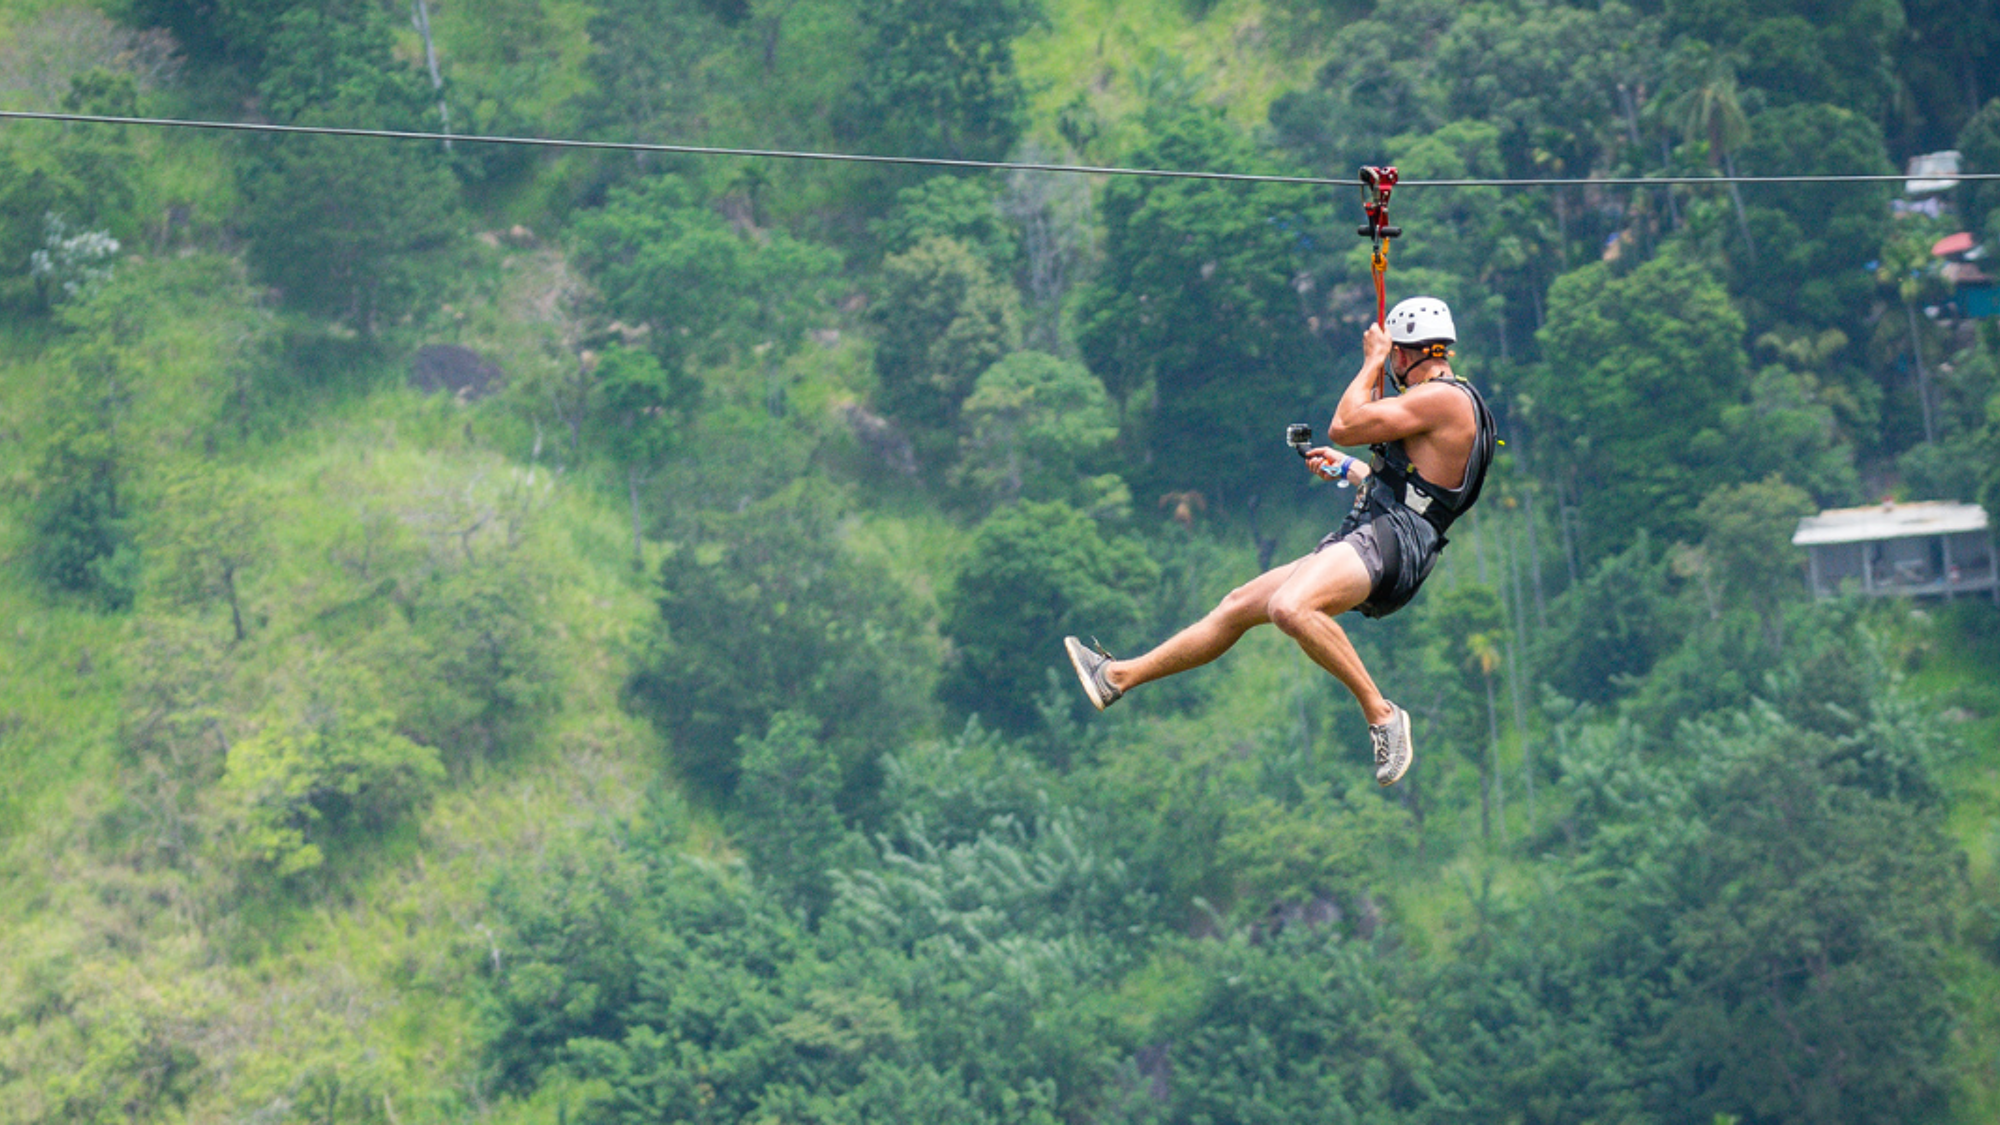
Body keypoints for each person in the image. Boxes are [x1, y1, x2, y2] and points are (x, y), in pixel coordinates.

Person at [1063, 296, 1495, 786]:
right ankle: (1116, 678)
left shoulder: (1443, 398)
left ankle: (1382, 715)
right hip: (1383, 530)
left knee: (1290, 607)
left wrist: (1370, 359)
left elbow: (1347, 424)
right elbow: (1418, 491)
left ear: (1403, 354)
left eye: (1393, 355)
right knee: (1239, 605)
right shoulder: (1443, 404)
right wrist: (1349, 468)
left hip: (1392, 541)